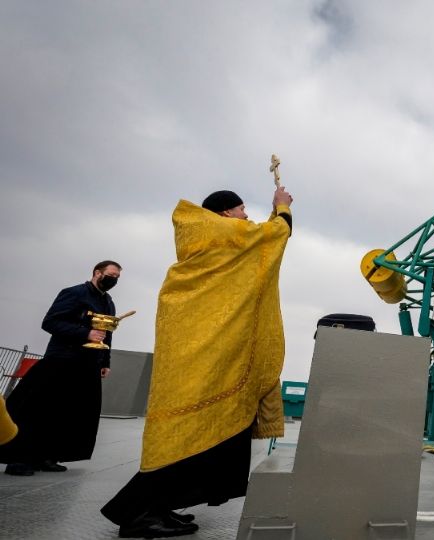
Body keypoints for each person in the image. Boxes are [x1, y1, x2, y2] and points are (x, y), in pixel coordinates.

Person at [101, 186, 293, 538]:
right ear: (223, 215)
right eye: (240, 210)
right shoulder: (223, 235)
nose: (246, 217)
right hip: (207, 359)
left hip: (209, 357)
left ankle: (161, 507)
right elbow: (272, 236)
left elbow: (259, 240)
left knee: (203, 434)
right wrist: (281, 208)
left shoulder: (217, 240)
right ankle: (136, 514)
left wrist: (273, 215)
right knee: (187, 435)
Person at [0, 261, 122, 476]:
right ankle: (18, 458)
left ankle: (46, 456)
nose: (114, 280)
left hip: (88, 365)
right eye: (111, 275)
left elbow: (107, 334)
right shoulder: (74, 293)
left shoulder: (109, 303)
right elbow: (50, 322)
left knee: (66, 413)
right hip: (61, 360)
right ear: (97, 273)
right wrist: (85, 334)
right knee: (36, 409)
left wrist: (105, 362)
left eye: (117, 277)